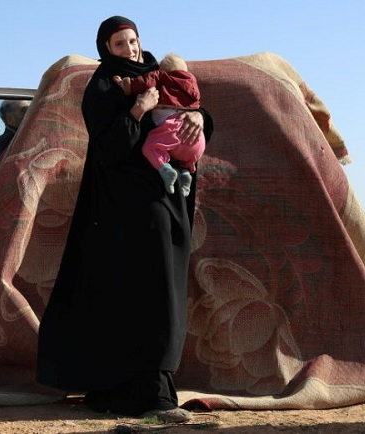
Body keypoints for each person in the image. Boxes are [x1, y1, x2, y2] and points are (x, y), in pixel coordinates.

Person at [36, 16, 213, 423]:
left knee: (165, 297)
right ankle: (145, 396)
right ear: (106, 48)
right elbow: (110, 148)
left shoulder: (159, 73)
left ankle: (156, 389)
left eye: (132, 41)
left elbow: (189, 108)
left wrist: (201, 118)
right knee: (130, 298)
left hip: (166, 202)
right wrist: (137, 109)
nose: (130, 50)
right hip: (119, 213)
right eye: (120, 44)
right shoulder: (102, 87)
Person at [114, 53, 205, 197]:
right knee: (185, 158)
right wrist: (199, 113)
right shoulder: (191, 81)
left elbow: (142, 83)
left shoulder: (159, 76)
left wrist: (124, 84)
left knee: (150, 147)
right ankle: (186, 171)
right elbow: (196, 105)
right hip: (197, 141)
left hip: (172, 131)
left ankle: (165, 169)